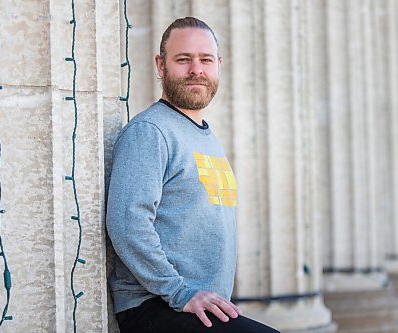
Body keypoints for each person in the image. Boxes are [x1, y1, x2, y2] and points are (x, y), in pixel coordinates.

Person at [106, 17, 280, 333]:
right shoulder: (150, 132)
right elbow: (127, 221)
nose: (195, 69)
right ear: (161, 66)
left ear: (218, 66)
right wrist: (178, 291)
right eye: (183, 59)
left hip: (197, 309)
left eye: (205, 60)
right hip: (156, 306)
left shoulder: (204, 136)